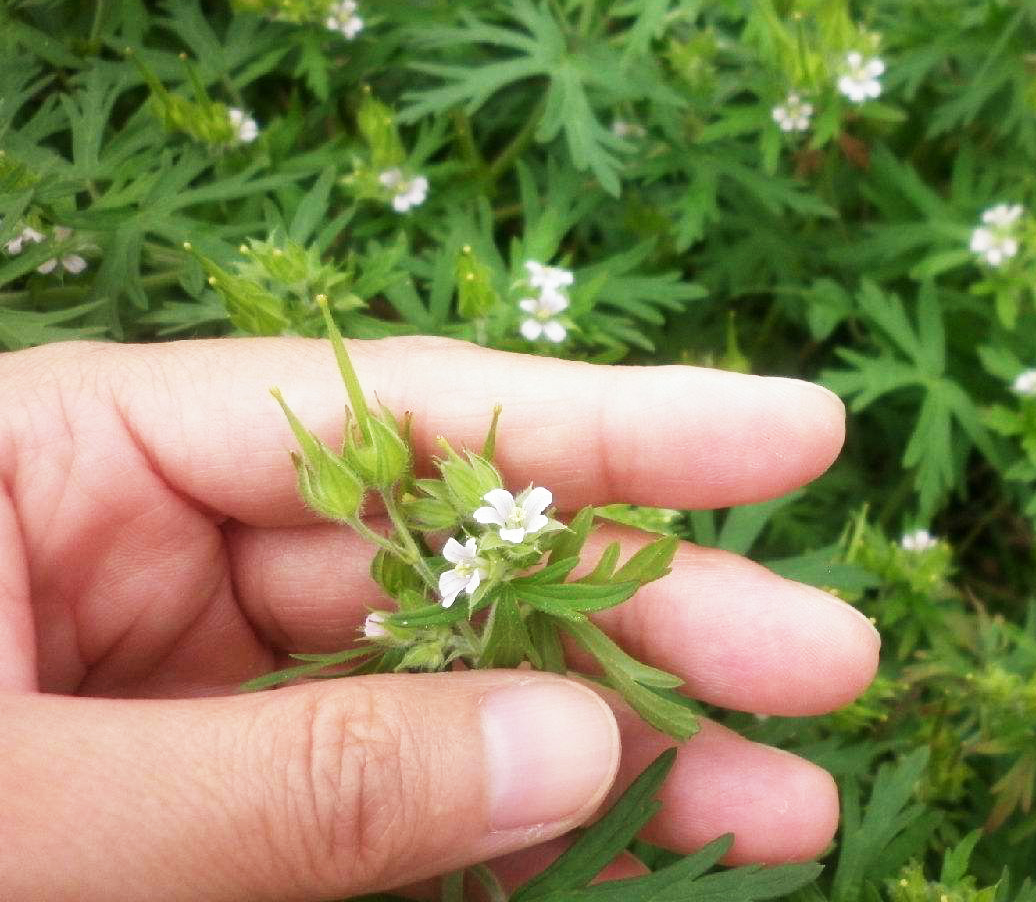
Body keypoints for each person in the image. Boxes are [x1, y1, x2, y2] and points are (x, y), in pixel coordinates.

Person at [0, 335, 879, 900]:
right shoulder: (447, 558)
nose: (473, 548)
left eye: (492, 533)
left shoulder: (489, 546)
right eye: (474, 545)